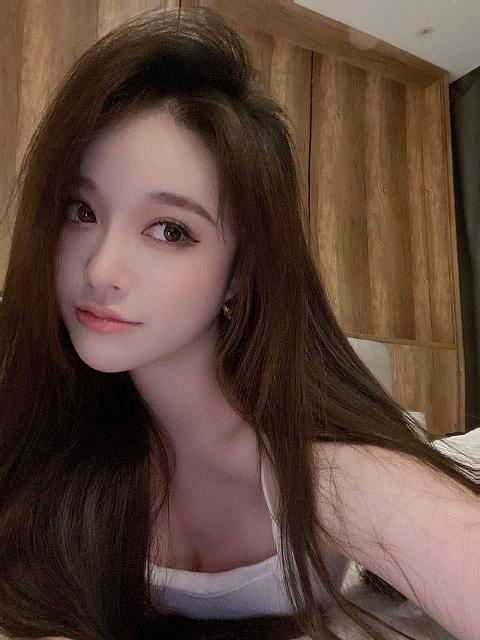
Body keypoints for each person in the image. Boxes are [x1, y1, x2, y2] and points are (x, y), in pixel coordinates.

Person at [0, 6, 477, 640]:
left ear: (239, 270)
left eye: (170, 230)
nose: (101, 269)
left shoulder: (325, 469)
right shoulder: (52, 427)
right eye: (80, 210)